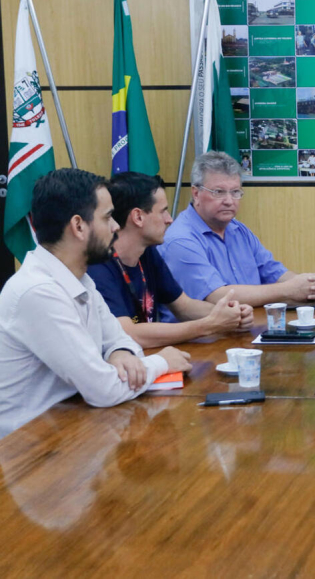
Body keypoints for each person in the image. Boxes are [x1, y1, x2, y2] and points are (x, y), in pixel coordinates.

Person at [0, 169, 192, 438]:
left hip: (73, 429)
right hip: (30, 454)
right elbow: (103, 389)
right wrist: (162, 362)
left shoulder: (79, 278)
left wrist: (119, 353)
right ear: (78, 226)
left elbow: (120, 339)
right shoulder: (38, 292)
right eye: (107, 217)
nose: (116, 226)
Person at [88, 172, 254, 349]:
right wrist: (207, 326)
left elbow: (184, 306)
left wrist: (231, 314)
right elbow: (127, 334)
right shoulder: (99, 264)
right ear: (138, 217)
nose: (169, 219)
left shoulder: (147, 252)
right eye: (163, 211)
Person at [160, 151, 315, 307]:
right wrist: (289, 289)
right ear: (196, 194)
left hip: (249, 328)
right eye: (218, 192)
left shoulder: (238, 229)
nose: (229, 201)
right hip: (202, 336)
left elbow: (273, 272)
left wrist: (307, 284)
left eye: (235, 192)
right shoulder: (180, 240)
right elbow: (218, 297)